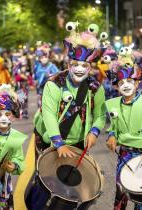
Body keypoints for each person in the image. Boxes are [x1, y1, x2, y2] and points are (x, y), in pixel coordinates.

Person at [32, 22, 106, 159]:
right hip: (49, 139)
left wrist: (94, 132)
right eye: (75, 64)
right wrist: (59, 143)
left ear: (90, 67)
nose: (79, 69)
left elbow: (100, 115)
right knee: (45, 178)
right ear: (68, 64)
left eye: (84, 65)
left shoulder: (96, 87)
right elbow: (49, 114)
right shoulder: (54, 83)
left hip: (78, 143)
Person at [105, 62, 142, 210]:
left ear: (137, 83)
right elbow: (113, 128)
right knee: (121, 190)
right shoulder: (113, 104)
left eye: (130, 81)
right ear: (116, 87)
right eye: (121, 83)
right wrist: (112, 136)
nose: (125, 85)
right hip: (124, 153)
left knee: (140, 193)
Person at [34, 42, 59, 107]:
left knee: (49, 103)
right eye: (42, 58)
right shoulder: (38, 66)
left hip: (50, 87)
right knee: (40, 102)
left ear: (48, 58)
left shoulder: (52, 66)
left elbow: (58, 73)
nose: (44, 59)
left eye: (45, 57)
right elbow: (36, 76)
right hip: (40, 87)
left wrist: (50, 75)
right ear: (40, 59)